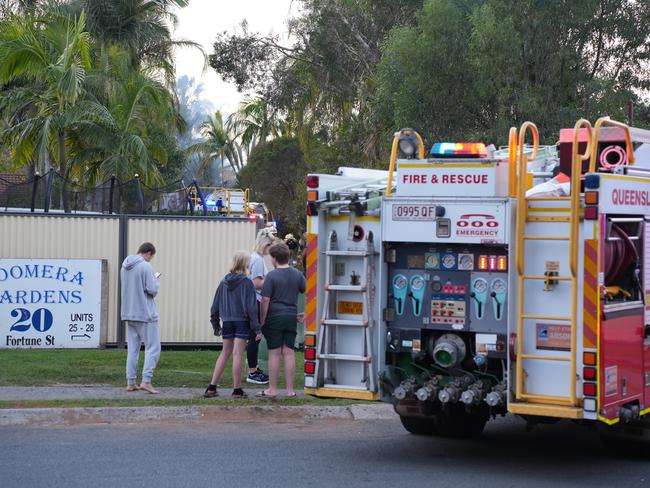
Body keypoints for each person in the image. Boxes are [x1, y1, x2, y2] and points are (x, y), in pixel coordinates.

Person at [204, 251, 261, 398]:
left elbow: (214, 307)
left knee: (225, 353)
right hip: (242, 321)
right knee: (238, 354)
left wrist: (216, 324)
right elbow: (251, 308)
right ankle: (237, 390)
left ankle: (211, 387)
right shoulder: (247, 282)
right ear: (244, 264)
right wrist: (257, 328)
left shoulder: (223, 282)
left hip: (227, 321)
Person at [256, 242, 306, 398]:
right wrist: (305, 313)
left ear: (274, 259)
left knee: (275, 353)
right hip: (291, 316)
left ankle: (272, 389)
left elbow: (265, 300)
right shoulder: (298, 274)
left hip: (274, 318)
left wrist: (262, 321)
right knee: (289, 353)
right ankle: (290, 391)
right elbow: (308, 290)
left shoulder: (271, 276)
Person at [120, 242, 161, 394]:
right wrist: (156, 279)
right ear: (149, 253)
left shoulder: (124, 267)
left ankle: (131, 382)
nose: (151, 259)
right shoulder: (146, 266)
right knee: (153, 348)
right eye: (151, 256)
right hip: (145, 313)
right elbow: (152, 289)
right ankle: (146, 381)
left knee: (133, 350)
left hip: (129, 313)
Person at [246, 229, 276, 385]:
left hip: (253, 301)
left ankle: (254, 368)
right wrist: (270, 281)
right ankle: (252, 372)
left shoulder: (254, 258)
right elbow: (256, 282)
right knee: (255, 337)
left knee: (254, 337)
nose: (271, 249)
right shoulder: (257, 260)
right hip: (256, 301)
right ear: (264, 244)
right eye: (270, 245)